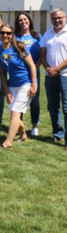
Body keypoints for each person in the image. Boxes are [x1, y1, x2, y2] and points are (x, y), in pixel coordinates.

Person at [0, 24, 37, 149]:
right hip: (12, 86)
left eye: (8, 33)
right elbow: (2, 72)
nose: (5, 35)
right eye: (3, 33)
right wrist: (7, 90)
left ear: (12, 34)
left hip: (26, 84)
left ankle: (8, 142)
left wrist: (34, 85)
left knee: (15, 112)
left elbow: (32, 66)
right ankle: (23, 135)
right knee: (14, 115)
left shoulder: (19, 46)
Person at [40, 8, 67, 146]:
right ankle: (58, 134)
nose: (57, 20)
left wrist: (57, 69)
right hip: (50, 76)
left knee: (66, 108)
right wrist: (48, 69)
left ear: (65, 17)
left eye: (59, 18)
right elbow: (42, 54)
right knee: (52, 106)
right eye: (54, 18)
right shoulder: (47, 34)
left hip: (65, 76)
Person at [15, 12, 42, 136]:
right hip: (20, 74)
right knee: (19, 100)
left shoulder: (37, 37)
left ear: (29, 21)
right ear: (18, 23)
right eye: (20, 20)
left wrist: (34, 68)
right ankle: (18, 124)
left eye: (25, 19)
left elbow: (42, 56)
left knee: (34, 100)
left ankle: (35, 125)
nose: (23, 22)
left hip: (34, 73)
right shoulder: (15, 37)